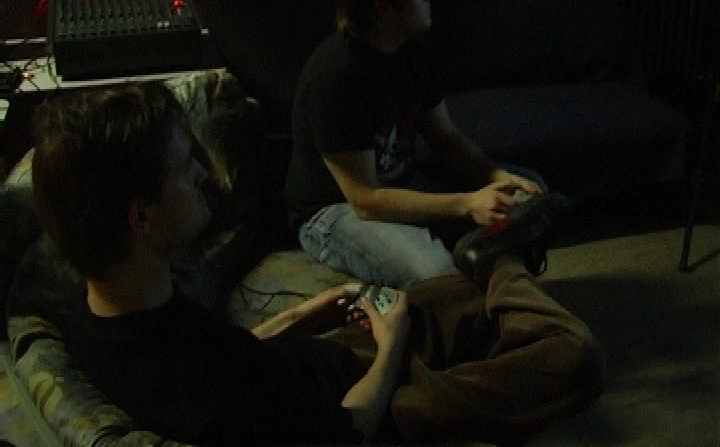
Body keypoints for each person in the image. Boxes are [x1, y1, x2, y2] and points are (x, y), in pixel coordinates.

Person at [31, 80, 605, 445]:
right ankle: (499, 259)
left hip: (328, 358)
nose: (204, 174)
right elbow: (347, 432)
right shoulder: (176, 382)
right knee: (573, 357)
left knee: (455, 293)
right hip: (381, 406)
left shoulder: (105, 304)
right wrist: (391, 346)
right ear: (141, 217)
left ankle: (490, 269)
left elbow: (220, 357)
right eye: (185, 168)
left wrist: (299, 318)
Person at [285, 0, 555, 289]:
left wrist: (494, 175)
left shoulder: (413, 51)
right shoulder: (335, 77)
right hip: (335, 209)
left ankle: (494, 274)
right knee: (439, 275)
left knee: (527, 194)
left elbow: (446, 139)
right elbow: (365, 200)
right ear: (383, 8)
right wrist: (467, 203)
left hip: (399, 182)